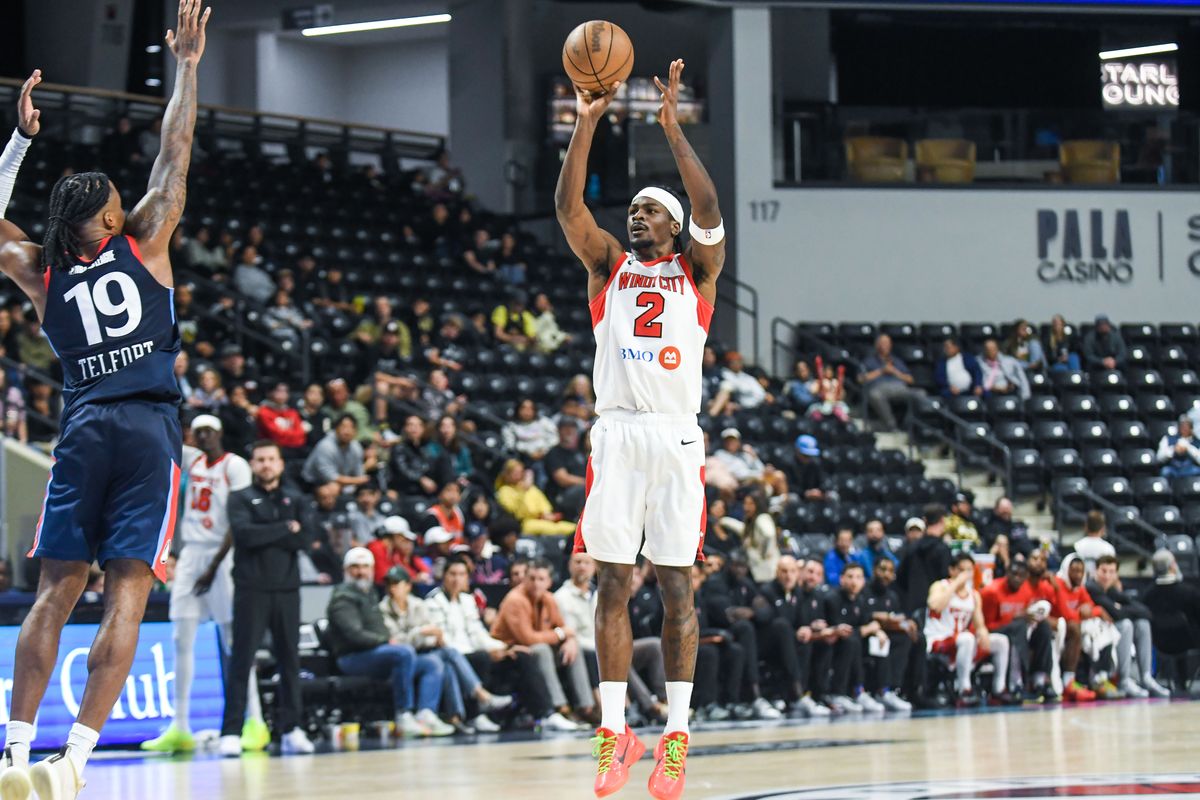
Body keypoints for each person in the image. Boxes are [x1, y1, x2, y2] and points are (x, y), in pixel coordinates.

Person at [0, 9, 209, 795]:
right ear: (115, 220)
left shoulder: (37, 268)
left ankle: (14, 756)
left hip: (83, 426)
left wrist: (18, 141)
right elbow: (175, 150)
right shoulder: (147, 236)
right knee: (127, 589)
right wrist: (187, 65)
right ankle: (76, 762)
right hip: (150, 428)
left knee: (55, 588)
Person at [556, 56, 725, 798]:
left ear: (676, 225)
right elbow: (569, 210)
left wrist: (672, 131)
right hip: (618, 434)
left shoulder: (698, 273)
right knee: (613, 584)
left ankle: (677, 737)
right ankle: (613, 731)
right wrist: (586, 126)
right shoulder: (608, 269)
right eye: (632, 208)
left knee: (680, 591)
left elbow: (711, 203)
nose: (636, 214)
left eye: (650, 208)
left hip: (677, 437)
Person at [141, 415, 267, 757]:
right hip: (191, 555)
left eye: (209, 432)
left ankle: (254, 721)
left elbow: (238, 519)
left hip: (222, 557)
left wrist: (213, 568)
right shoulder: (192, 459)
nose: (203, 437)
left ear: (220, 433)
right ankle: (179, 725)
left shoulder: (235, 466)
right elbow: (161, 439)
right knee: (181, 636)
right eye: (198, 433)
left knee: (233, 641)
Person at [221, 441, 315, 757]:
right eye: (260, 459)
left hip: (287, 590)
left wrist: (274, 531)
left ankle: (292, 729)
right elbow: (245, 535)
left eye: (271, 459)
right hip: (251, 590)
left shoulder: (297, 499)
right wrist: (284, 528)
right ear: (252, 464)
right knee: (242, 660)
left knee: (290, 660)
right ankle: (231, 731)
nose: (266, 465)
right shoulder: (240, 498)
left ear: (281, 463)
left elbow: (305, 538)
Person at [326, 550, 453, 737]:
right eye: (355, 567)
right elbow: (353, 635)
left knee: (431, 663)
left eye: (365, 567)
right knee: (403, 652)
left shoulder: (368, 593)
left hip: (377, 654)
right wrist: (386, 641)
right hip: (352, 658)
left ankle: (426, 714)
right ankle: (404, 714)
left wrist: (387, 641)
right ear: (345, 570)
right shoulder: (342, 598)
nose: (361, 572)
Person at [490, 559, 595, 727]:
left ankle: (586, 708)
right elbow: (528, 639)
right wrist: (561, 634)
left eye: (541, 579)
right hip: (507, 655)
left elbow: (564, 628)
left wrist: (570, 640)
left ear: (549, 582)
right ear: (525, 579)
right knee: (542, 649)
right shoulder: (515, 600)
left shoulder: (548, 598)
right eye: (532, 578)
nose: (536, 583)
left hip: (531, 654)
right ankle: (559, 708)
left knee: (574, 648)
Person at [925, 553, 1010, 706]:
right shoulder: (940, 586)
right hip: (938, 640)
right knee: (966, 638)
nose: (965, 574)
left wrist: (983, 634)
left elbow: (980, 625)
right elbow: (935, 606)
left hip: (962, 643)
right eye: (961, 570)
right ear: (951, 570)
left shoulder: (974, 595)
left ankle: (999, 688)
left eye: (969, 570)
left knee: (1001, 641)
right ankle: (964, 689)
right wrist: (955, 584)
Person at [1087, 555, 1170, 698]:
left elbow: (1146, 612)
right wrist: (1118, 610)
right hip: (1093, 632)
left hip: (1108, 630)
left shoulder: (1112, 591)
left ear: (1117, 574)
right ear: (1095, 571)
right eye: (1103, 571)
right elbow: (1117, 614)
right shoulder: (1092, 587)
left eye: (1111, 572)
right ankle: (1123, 679)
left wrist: (1120, 609)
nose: (1107, 576)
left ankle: (1146, 677)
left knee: (1142, 624)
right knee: (1126, 625)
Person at [980, 553, 1056, 702]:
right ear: (1007, 573)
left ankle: (1040, 679)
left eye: (1022, 575)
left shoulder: (1026, 591)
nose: (1017, 578)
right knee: (1018, 627)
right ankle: (1017, 683)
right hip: (993, 633)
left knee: (1044, 627)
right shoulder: (992, 592)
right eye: (1014, 574)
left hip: (1017, 632)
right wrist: (1015, 619)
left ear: (1026, 576)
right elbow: (986, 626)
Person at [1027, 547, 1094, 701]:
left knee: (1092, 628)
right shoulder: (1051, 583)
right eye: (1074, 570)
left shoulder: (1079, 588)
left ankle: (1089, 679)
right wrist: (1057, 590)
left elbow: (1090, 609)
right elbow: (1063, 614)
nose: (1077, 574)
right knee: (1069, 626)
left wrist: (1091, 610)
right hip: (1047, 627)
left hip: (1059, 628)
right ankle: (1057, 681)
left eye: (1080, 571)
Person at [863, 557, 922, 709]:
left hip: (887, 634)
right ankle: (882, 691)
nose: (886, 574)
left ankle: (906, 690)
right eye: (883, 570)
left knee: (910, 638)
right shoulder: (864, 591)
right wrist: (879, 617)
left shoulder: (892, 596)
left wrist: (907, 625)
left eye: (890, 571)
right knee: (882, 642)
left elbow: (896, 619)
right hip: (867, 634)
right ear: (874, 570)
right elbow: (864, 615)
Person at [1143, 549, 1200, 687]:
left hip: (1160, 643)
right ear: (1172, 566)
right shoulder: (1189, 592)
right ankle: (1181, 682)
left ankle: (1175, 681)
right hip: (1189, 641)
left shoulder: (1147, 595)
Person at [896, 508, 952, 614]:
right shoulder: (943, 549)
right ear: (942, 521)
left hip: (913, 606)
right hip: (936, 608)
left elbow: (900, 577)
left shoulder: (912, 547)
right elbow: (946, 580)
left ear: (925, 521)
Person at [860, 334, 918, 431]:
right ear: (877, 345)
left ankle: (911, 428)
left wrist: (895, 371)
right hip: (879, 388)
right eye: (883, 343)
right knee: (875, 394)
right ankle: (891, 425)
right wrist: (881, 371)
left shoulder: (897, 361)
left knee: (921, 394)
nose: (886, 345)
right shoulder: (869, 361)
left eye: (888, 343)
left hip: (900, 388)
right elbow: (861, 379)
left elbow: (911, 380)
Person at [719, 492, 779, 583]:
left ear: (758, 504)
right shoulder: (752, 523)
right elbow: (743, 530)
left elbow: (769, 534)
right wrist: (724, 521)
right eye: (745, 503)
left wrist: (764, 553)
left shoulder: (762, 518)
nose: (746, 507)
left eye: (751, 504)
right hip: (758, 572)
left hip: (767, 573)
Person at [301, 414, 369, 492]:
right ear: (336, 429)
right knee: (333, 487)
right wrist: (356, 481)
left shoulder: (356, 447)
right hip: (313, 483)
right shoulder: (325, 446)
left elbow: (359, 475)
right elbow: (330, 477)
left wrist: (360, 479)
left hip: (343, 481)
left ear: (356, 432)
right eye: (343, 427)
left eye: (351, 428)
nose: (347, 432)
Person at [1073, 511, 1116, 576]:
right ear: (1103, 528)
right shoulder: (1109, 549)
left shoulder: (1077, 546)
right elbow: (1112, 574)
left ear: (1086, 527)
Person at [1157, 415, 1200, 479]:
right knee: (1165, 471)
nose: (1184, 428)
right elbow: (1159, 458)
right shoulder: (1168, 439)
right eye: (1182, 426)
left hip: (1190, 469)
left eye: (1187, 425)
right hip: (1173, 469)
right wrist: (1173, 450)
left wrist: (1188, 448)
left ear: (1191, 428)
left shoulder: (1197, 442)